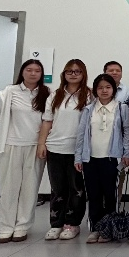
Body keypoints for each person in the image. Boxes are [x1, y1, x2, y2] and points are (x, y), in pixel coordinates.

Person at [0, 59, 50, 243]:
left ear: (41, 74)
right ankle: (6, 227)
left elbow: (48, 120)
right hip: (11, 145)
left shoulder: (46, 93)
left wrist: (42, 143)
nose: (33, 73)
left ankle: (22, 226)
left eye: (37, 70)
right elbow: (1, 117)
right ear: (22, 72)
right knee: (9, 188)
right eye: (29, 70)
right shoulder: (9, 92)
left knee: (30, 188)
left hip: (35, 146)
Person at [75, 73, 129, 243]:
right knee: (93, 195)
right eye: (100, 88)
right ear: (95, 90)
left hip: (112, 159)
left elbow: (127, 132)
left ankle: (109, 229)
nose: (104, 90)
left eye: (108, 87)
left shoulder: (121, 108)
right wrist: (78, 157)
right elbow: (81, 134)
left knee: (110, 195)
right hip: (90, 159)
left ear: (114, 89)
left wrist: (127, 153)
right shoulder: (88, 109)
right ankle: (95, 228)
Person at [38, 59, 89, 241]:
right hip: (55, 147)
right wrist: (41, 143)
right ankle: (56, 223)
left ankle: (72, 223)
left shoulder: (89, 95)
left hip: (77, 151)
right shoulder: (55, 95)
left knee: (76, 189)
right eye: (69, 71)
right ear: (64, 74)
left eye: (77, 71)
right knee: (57, 188)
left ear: (83, 74)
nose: (73, 74)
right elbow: (47, 121)